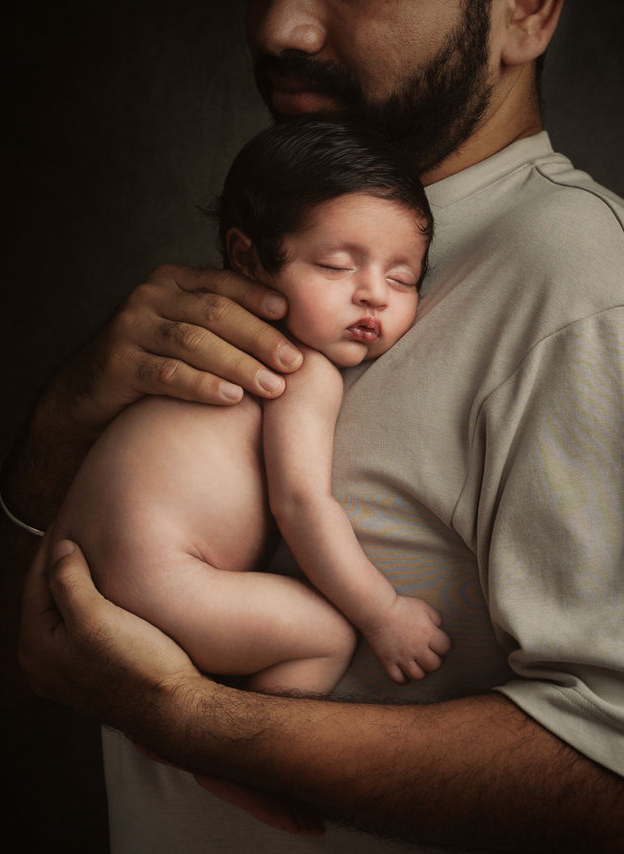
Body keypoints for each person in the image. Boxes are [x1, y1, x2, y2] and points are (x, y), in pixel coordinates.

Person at [0, 0, 623, 851]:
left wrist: (191, 720)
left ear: (526, 11)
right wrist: (66, 419)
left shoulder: (579, 286)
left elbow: (609, 774)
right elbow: (14, 667)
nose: (280, 28)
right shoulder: (301, 241)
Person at [49, 119, 445, 697]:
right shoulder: (298, 366)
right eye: (336, 265)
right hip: (163, 580)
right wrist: (382, 614)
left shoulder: (188, 329)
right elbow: (301, 503)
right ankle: (246, 769)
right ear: (251, 259)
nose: (374, 293)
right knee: (329, 635)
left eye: (403, 276)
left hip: (78, 561)